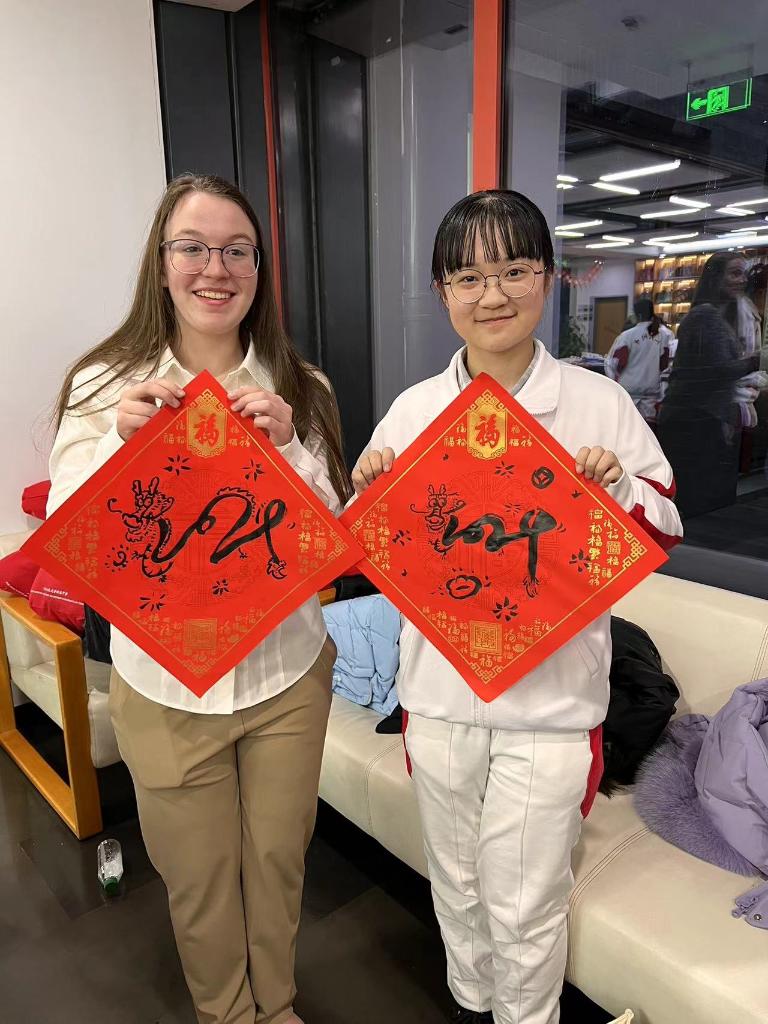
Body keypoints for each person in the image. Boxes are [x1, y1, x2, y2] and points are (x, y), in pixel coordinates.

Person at [350, 190, 682, 1024]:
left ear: (548, 277)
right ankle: (472, 1006)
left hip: (551, 705)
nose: (491, 294)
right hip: (438, 698)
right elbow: (375, 549)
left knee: (527, 900)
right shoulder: (415, 410)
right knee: (456, 882)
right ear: (442, 292)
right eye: (468, 277)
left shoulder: (597, 401)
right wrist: (368, 492)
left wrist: (617, 488)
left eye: (513, 271)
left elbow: (663, 525)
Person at [47, 174, 351, 1024]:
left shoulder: (302, 386)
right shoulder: (104, 384)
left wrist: (289, 451)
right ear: (162, 262)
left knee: (279, 861)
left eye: (237, 251)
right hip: (165, 686)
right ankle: (227, 1015)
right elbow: (70, 535)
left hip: (287, 673)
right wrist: (120, 444)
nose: (215, 269)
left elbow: (332, 537)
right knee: (198, 879)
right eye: (193, 247)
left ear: (259, 268)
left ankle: (277, 1006)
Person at [657, 252, 764, 519]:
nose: (742, 280)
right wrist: (756, 361)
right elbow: (717, 371)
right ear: (716, 277)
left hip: (700, 419)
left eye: (743, 274)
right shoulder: (705, 316)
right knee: (698, 501)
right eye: (734, 273)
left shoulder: (718, 316)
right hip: (695, 422)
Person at [604, 297, 674, 421]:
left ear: (637, 315)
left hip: (629, 395)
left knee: (627, 427)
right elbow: (665, 366)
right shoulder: (665, 336)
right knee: (648, 430)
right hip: (652, 398)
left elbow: (614, 364)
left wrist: (616, 383)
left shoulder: (627, 336)